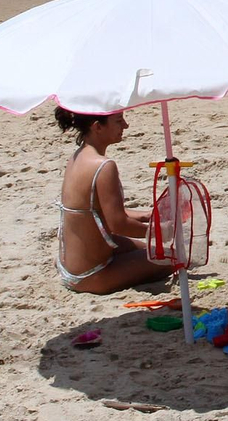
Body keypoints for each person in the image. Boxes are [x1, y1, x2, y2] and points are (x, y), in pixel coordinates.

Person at [53, 108, 167, 293]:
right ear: (98, 127)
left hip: (69, 265)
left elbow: (97, 210)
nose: (125, 125)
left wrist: (147, 215)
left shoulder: (76, 157)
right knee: (172, 257)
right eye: (119, 120)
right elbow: (119, 224)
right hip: (91, 274)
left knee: (150, 249)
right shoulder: (104, 166)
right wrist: (163, 233)